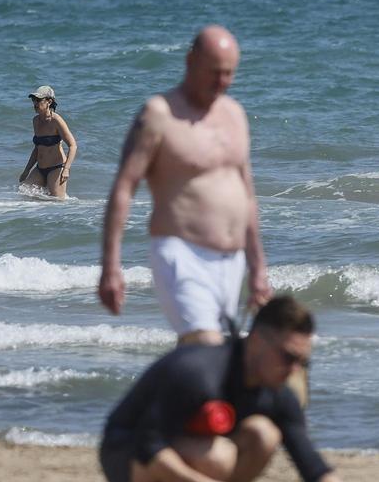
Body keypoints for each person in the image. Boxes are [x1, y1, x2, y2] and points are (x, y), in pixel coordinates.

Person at [98, 295, 379, 482]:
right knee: (217, 457)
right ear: (256, 342)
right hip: (126, 457)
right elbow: (149, 444)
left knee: (264, 434)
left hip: (187, 454)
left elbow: (313, 467)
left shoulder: (279, 395)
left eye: (303, 363)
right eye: (287, 357)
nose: (294, 370)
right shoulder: (198, 372)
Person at [98, 25, 272, 345]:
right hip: (180, 253)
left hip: (231, 261)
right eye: (214, 72)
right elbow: (124, 188)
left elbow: (247, 194)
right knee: (207, 347)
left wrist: (258, 267)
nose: (222, 82)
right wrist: (111, 267)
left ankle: (167, 395)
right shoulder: (159, 115)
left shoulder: (235, 114)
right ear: (190, 62)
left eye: (230, 73)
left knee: (209, 361)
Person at [19, 85, 78, 198]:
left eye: (38, 100)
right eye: (33, 100)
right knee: (24, 194)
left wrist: (66, 169)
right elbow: (37, 148)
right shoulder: (35, 121)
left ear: (49, 101)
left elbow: (73, 145)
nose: (35, 104)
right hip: (40, 168)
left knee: (57, 203)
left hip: (56, 168)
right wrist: (26, 170)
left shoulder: (56, 120)